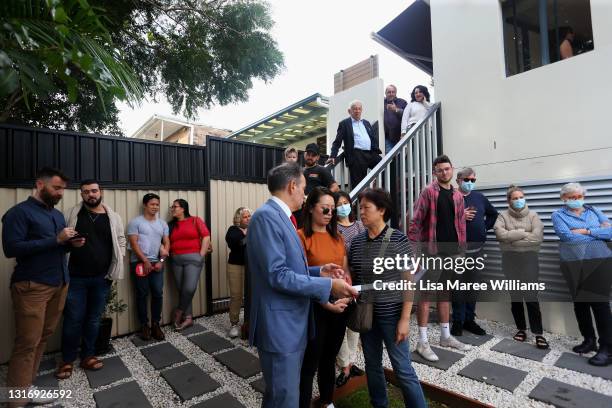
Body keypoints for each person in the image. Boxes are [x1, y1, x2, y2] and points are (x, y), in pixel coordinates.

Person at [247, 163, 357, 408]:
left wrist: (320, 271)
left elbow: (285, 270)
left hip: (288, 325)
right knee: (284, 397)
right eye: (304, 188)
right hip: (280, 327)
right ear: (292, 186)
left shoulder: (280, 217)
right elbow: (277, 275)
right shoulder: (267, 217)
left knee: (281, 395)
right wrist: (327, 286)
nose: (304, 195)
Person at [1, 167, 84, 407]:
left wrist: (71, 244)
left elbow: (56, 248)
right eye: (56, 188)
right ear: (40, 184)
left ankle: (25, 388)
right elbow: (12, 249)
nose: (60, 194)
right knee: (27, 343)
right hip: (32, 286)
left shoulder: (57, 216)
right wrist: (56, 239)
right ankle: (15, 402)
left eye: (62, 190)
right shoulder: (18, 213)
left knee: (42, 338)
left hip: (59, 283)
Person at [349, 188, 427, 408]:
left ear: (382, 210)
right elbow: (353, 276)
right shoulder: (356, 242)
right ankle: (379, 404)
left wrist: (404, 319)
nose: (361, 212)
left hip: (392, 316)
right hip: (367, 315)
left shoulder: (398, 239)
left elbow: (408, 281)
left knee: (403, 370)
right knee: (372, 366)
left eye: (366, 208)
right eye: (360, 207)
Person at [56, 180, 126, 380]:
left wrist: (117, 259)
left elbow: (120, 240)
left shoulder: (113, 217)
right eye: (86, 192)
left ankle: (88, 355)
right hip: (75, 278)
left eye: (94, 191)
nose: (90, 195)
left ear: (100, 192)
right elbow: (62, 240)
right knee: (73, 320)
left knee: (94, 319)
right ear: (81, 195)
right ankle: (67, 360)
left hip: (101, 278)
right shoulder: (71, 214)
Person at [408, 155, 469, 362]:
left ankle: (445, 336)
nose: (444, 172)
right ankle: (422, 342)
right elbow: (415, 223)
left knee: (445, 293)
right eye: (440, 170)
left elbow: (461, 226)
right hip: (430, 252)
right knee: (425, 296)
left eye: (447, 169)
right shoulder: (428, 192)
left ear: (452, 170)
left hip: (451, 253)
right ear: (435, 172)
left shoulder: (458, 196)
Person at [298, 187, 351, 408]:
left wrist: (346, 298)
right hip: (314, 307)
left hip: (339, 307)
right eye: (326, 208)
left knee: (329, 358)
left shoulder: (337, 237)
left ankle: (328, 401)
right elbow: (299, 277)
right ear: (311, 208)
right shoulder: (301, 237)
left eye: (334, 208)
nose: (331, 212)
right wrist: (326, 303)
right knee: (310, 361)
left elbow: (345, 272)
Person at [552, 182, 612, 366]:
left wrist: (587, 231)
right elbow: (567, 237)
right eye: (572, 197)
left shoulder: (594, 210)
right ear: (564, 198)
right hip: (573, 264)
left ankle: (607, 348)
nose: (576, 200)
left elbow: (610, 231)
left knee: (600, 304)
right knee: (581, 304)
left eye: (579, 196)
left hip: (599, 261)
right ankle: (589, 340)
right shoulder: (558, 215)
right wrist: (598, 232)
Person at [494, 185, 548, 349]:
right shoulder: (502, 216)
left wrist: (513, 237)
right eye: (515, 198)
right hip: (510, 260)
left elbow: (537, 238)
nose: (518, 200)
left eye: (521, 197)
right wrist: (525, 233)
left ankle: (538, 333)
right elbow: (500, 235)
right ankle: (521, 329)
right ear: (508, 200)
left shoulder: (533, 215)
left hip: (530, 259)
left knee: (531, 296)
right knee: (515, 296)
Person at [451, 168, 497, 336]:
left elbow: (493, 214)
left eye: (473, 180)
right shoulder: (451, 197)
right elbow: (441, 220)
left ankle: (469, 320)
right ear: (458, 180)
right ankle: (457, 320)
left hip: (476, 250)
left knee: (472, 285)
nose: (470, 182)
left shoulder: (479, 197)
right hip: (457, 251)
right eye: (466, 179)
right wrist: (459, 216)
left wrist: (484, 228)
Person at [127, 193, 170, 341]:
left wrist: (162, 261)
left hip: (157, 263)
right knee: (142, 294)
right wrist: (145, 261)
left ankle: (156, 324)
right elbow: (133, 244)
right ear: (145, 205)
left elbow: (166, 244)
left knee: (158, 293)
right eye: (152, 204)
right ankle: (144, 326)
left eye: (157, 204)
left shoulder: (163, 224)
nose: (155, 207)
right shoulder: (135, 222)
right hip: (139, 263)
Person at [334, 191, 365, 387]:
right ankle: (343, 364)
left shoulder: (360, 225)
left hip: (359, 277)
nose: (343, 206)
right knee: (340, 323)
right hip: (341, 277)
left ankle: (351, 361)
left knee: (355, 324)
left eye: (346, 202)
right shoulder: (333, 228)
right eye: (340, 203)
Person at [168, 199, 210, 331]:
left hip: (193, 258)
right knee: (182, 290)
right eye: (172, 207)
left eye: (175, 207)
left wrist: (201, 255)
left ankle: (179, 311)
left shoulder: (195, 220)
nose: (172, 209)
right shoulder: (171, 225)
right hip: (176, 260)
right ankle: (188, 318)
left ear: (183, 208)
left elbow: (206, 236)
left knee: (189, 289)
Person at [327, 100, 382, 189]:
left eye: (359, 109)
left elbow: (372, 138)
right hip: (356, 155)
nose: (357, 111)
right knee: (359, 185)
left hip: (370, 153)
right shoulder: (344, 124)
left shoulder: (366, 123)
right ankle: (359, 202)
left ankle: (376, 184)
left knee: (384, 165)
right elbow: (337, 142)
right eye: (355, 109)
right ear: (350, 111)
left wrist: (375, 150)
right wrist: (332, 156)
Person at [225, 206, 252, 338]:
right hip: (236, 266)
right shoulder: (233, 230)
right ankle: (234, 324)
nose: (248, 219)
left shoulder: (254, 229)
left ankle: (249, 322)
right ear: (238, 219)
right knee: (236, 295)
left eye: (249, 216)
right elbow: (236, 243)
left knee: (251, 295)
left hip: (251, 267)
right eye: (245, 217)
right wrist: (251, 235)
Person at [383, 84, 408, 153]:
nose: (391, 94)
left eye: (393, 92)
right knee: (390, 157)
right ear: (385, 93)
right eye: (389, 92)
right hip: (387, 138)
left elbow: (407, 116)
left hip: (401, 136)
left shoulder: (402, 102)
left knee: (402, 156)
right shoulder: (381, 103)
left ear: (395, 93)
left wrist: (396, 110)